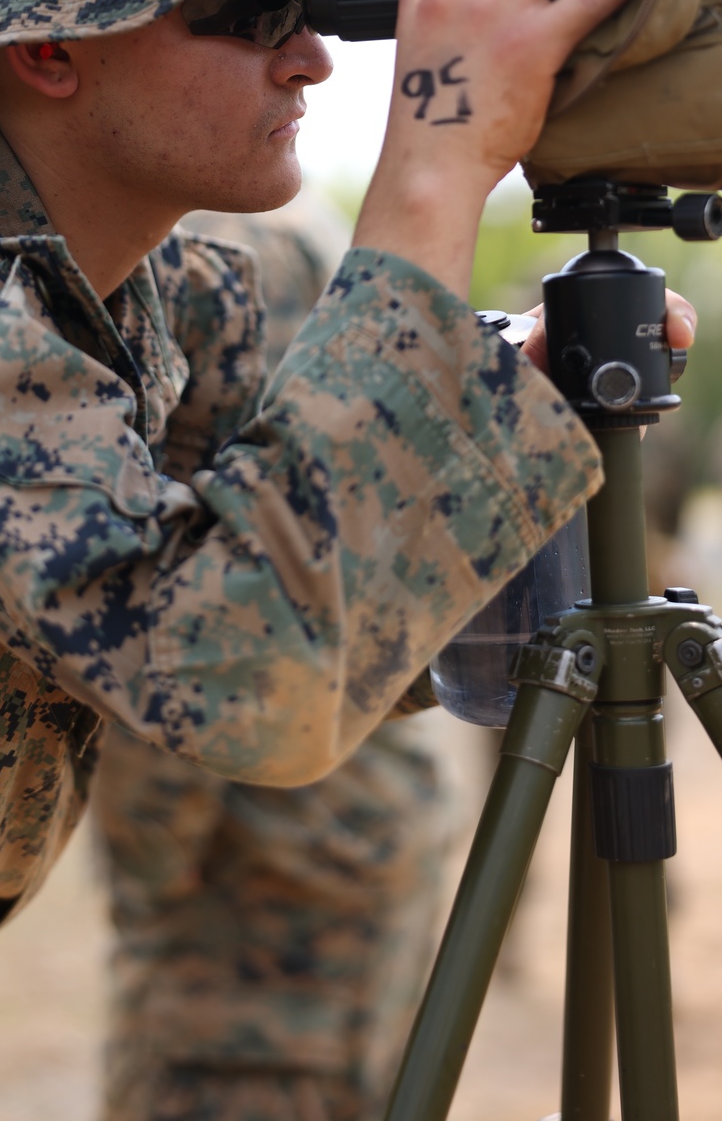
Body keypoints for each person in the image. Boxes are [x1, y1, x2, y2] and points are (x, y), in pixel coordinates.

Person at [0, 0, 693, 1119]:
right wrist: (437, 156)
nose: (317, 56)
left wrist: (505, 387)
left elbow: (317, 563)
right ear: (49, 43)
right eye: (258, 4)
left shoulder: (145, 290)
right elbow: (243, 669)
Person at [95, 192, 462, 1121]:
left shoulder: (196, 261)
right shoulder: (312, 241)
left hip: (259, 875)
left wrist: (145, 858)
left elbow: (178, 640)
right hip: (367, 817)